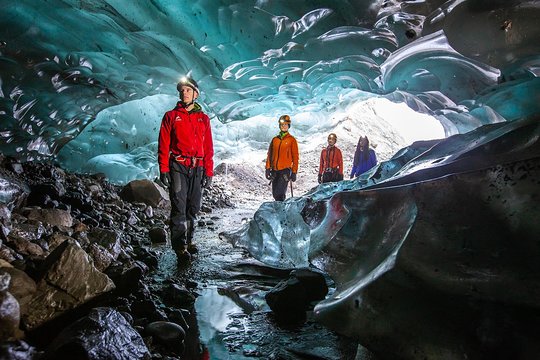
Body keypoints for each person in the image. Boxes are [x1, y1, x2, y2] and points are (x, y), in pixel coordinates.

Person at [158, 76, 214, 263]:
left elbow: (208, 147)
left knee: (193, 207)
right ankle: (180, 247)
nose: (184, 93)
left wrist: (209, 171)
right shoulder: (171, 116)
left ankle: (189, 241)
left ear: (195, 94)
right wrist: (164, 169)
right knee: (179, 206)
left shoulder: (203, 119)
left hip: (197, 168)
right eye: (182, 90)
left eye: (188, 90)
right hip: (178, 166)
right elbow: (164, 144)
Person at [265, 114, 299, 201]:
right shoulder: (275, 140)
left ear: (288, 126)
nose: (284, 126)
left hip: (285, 171)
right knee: (275, 193)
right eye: (282, 125)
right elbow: (270, 154)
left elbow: (295, 157)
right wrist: (268, 168)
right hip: (275, 171)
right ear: (279, 126)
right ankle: (280, 210)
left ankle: (280, 210)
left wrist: (294, 172)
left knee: (279, 194)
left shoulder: (291, 140)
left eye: (285, 124)